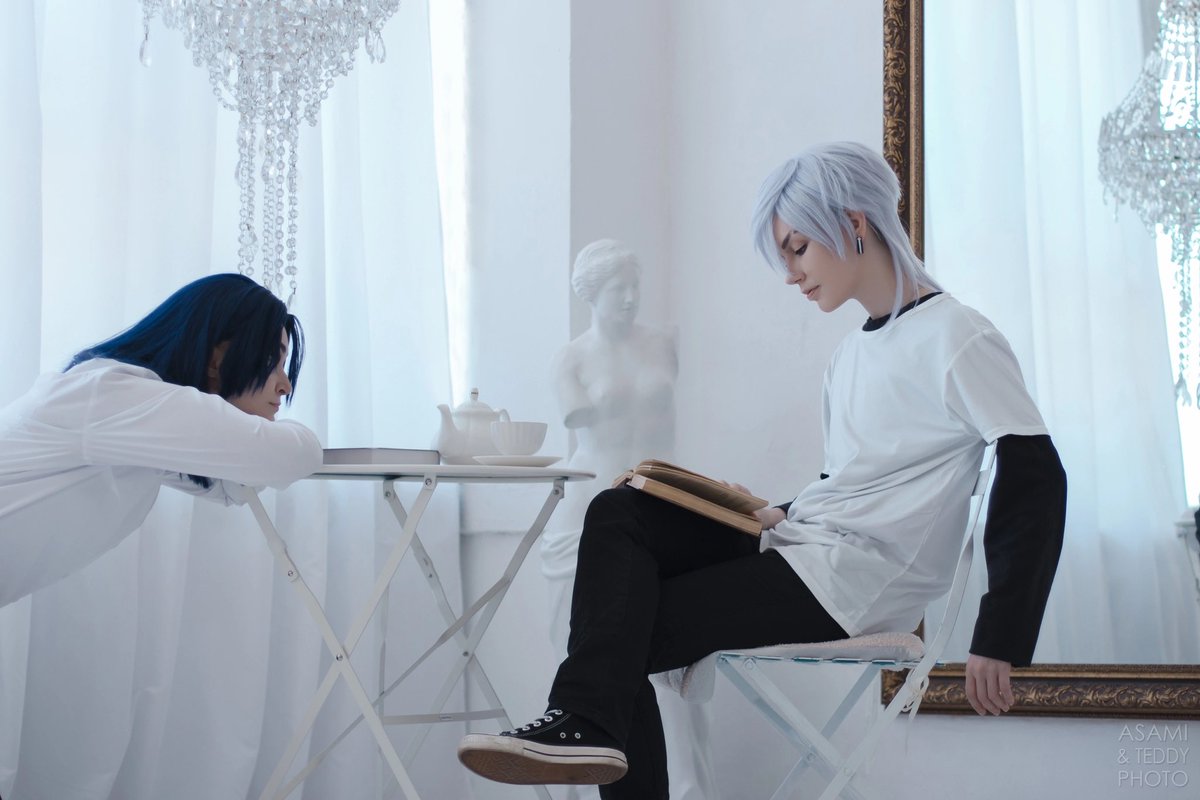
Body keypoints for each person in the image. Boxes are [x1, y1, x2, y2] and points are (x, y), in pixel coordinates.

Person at [456, 142, 1067, 798]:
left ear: (854, 224)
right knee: (619, 510)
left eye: (798, 248)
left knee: (621, 625)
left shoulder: (958, 336)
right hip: (804, 545)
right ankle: (585, 722)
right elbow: (853, 483)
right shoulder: (851, 356)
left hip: (855, 579)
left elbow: (1035, 475)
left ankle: (582, 721)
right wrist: (773, 510)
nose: (791, 274)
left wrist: (1001, 634)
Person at [0, 272, 323, 609]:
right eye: (273, 361)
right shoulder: (117, 396)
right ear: (217, 359)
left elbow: (232, 487)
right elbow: (296, 455)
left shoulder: (136, 423)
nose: (285, 385)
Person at [544, 240, 716, 799]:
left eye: (634, 285)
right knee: (591, 660)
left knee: (681, 663)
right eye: (617, 287)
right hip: (592, 508)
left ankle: (689, 790)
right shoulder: (571, 359)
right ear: (592, 293)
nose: (629, 297)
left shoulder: (664, 343)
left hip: (662, 504)